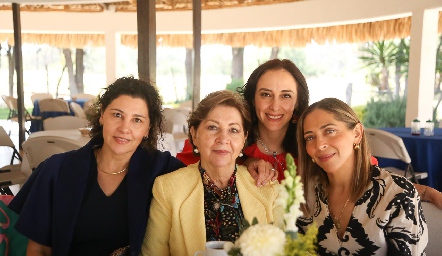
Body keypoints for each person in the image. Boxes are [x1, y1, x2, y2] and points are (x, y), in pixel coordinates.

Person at [8, 76, 185, 256]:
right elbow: (39, 249)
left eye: (137, 120)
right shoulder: (57, 170)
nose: (124, 128)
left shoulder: (163, 169)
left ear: (148, 128)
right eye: (117, 115)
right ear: (102, 115)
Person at [141, 90, 282, 255]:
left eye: (233, 130)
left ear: (244, 138)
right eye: (213, 127)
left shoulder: (268, 188)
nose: (223, 138)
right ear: (194, 135)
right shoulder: (168, 188)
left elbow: (290, 250)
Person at [296, 98, 428, 255]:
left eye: (329, 131)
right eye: (310, 137)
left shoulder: (398, 194)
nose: (319, 145)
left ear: (357, 134)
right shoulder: (303, 193)